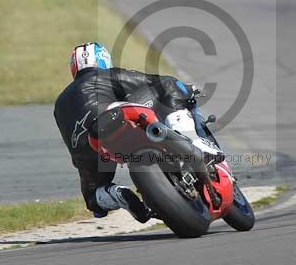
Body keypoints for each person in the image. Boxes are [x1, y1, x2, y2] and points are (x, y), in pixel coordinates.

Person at [53, 42, 207, 223]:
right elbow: (153, 81)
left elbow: (70, 142)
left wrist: (84, 163)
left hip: (89, 150)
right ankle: (194, 141)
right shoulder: (107, 75)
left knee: (93, 199)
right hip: (116, 120)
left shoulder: (59, 103)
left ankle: (118, 194)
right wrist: (187, 89)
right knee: (168, 84)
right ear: (104, 60)